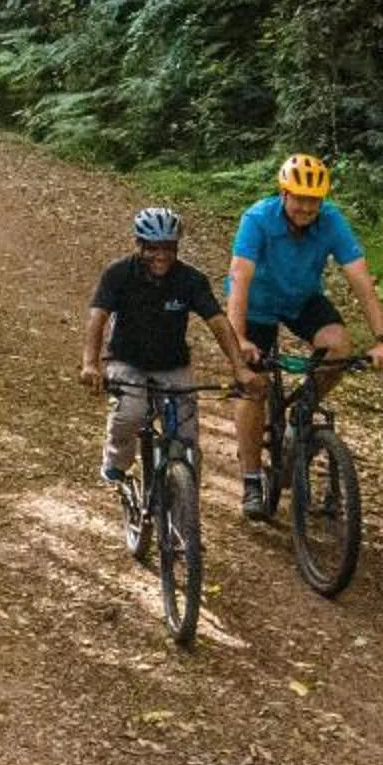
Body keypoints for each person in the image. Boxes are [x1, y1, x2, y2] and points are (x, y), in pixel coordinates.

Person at [225, 153, 383, 519]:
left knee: (339, 346)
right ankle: (252, 478)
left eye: (313, 200)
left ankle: (301, 413)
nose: (306, 208)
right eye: (299, 198)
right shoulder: (257, 219)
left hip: (301, 300)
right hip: (256, 305)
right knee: (252, 384)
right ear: (284, 193)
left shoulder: (331, 221)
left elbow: (361, 281)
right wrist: (239, 339)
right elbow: (239, 277)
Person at [76, 207, 249, 537]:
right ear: (139, 245)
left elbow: (217, 322)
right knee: (130, 412)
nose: (161, 255)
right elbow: (97, 319)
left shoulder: (190, 280)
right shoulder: (118, 274)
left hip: (173, 364)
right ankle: (116, 462)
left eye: (168, 247)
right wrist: (90, 363)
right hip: (127, 360)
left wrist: (240, 368)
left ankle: (185, 520)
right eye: (153, 248)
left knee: (187, 443)